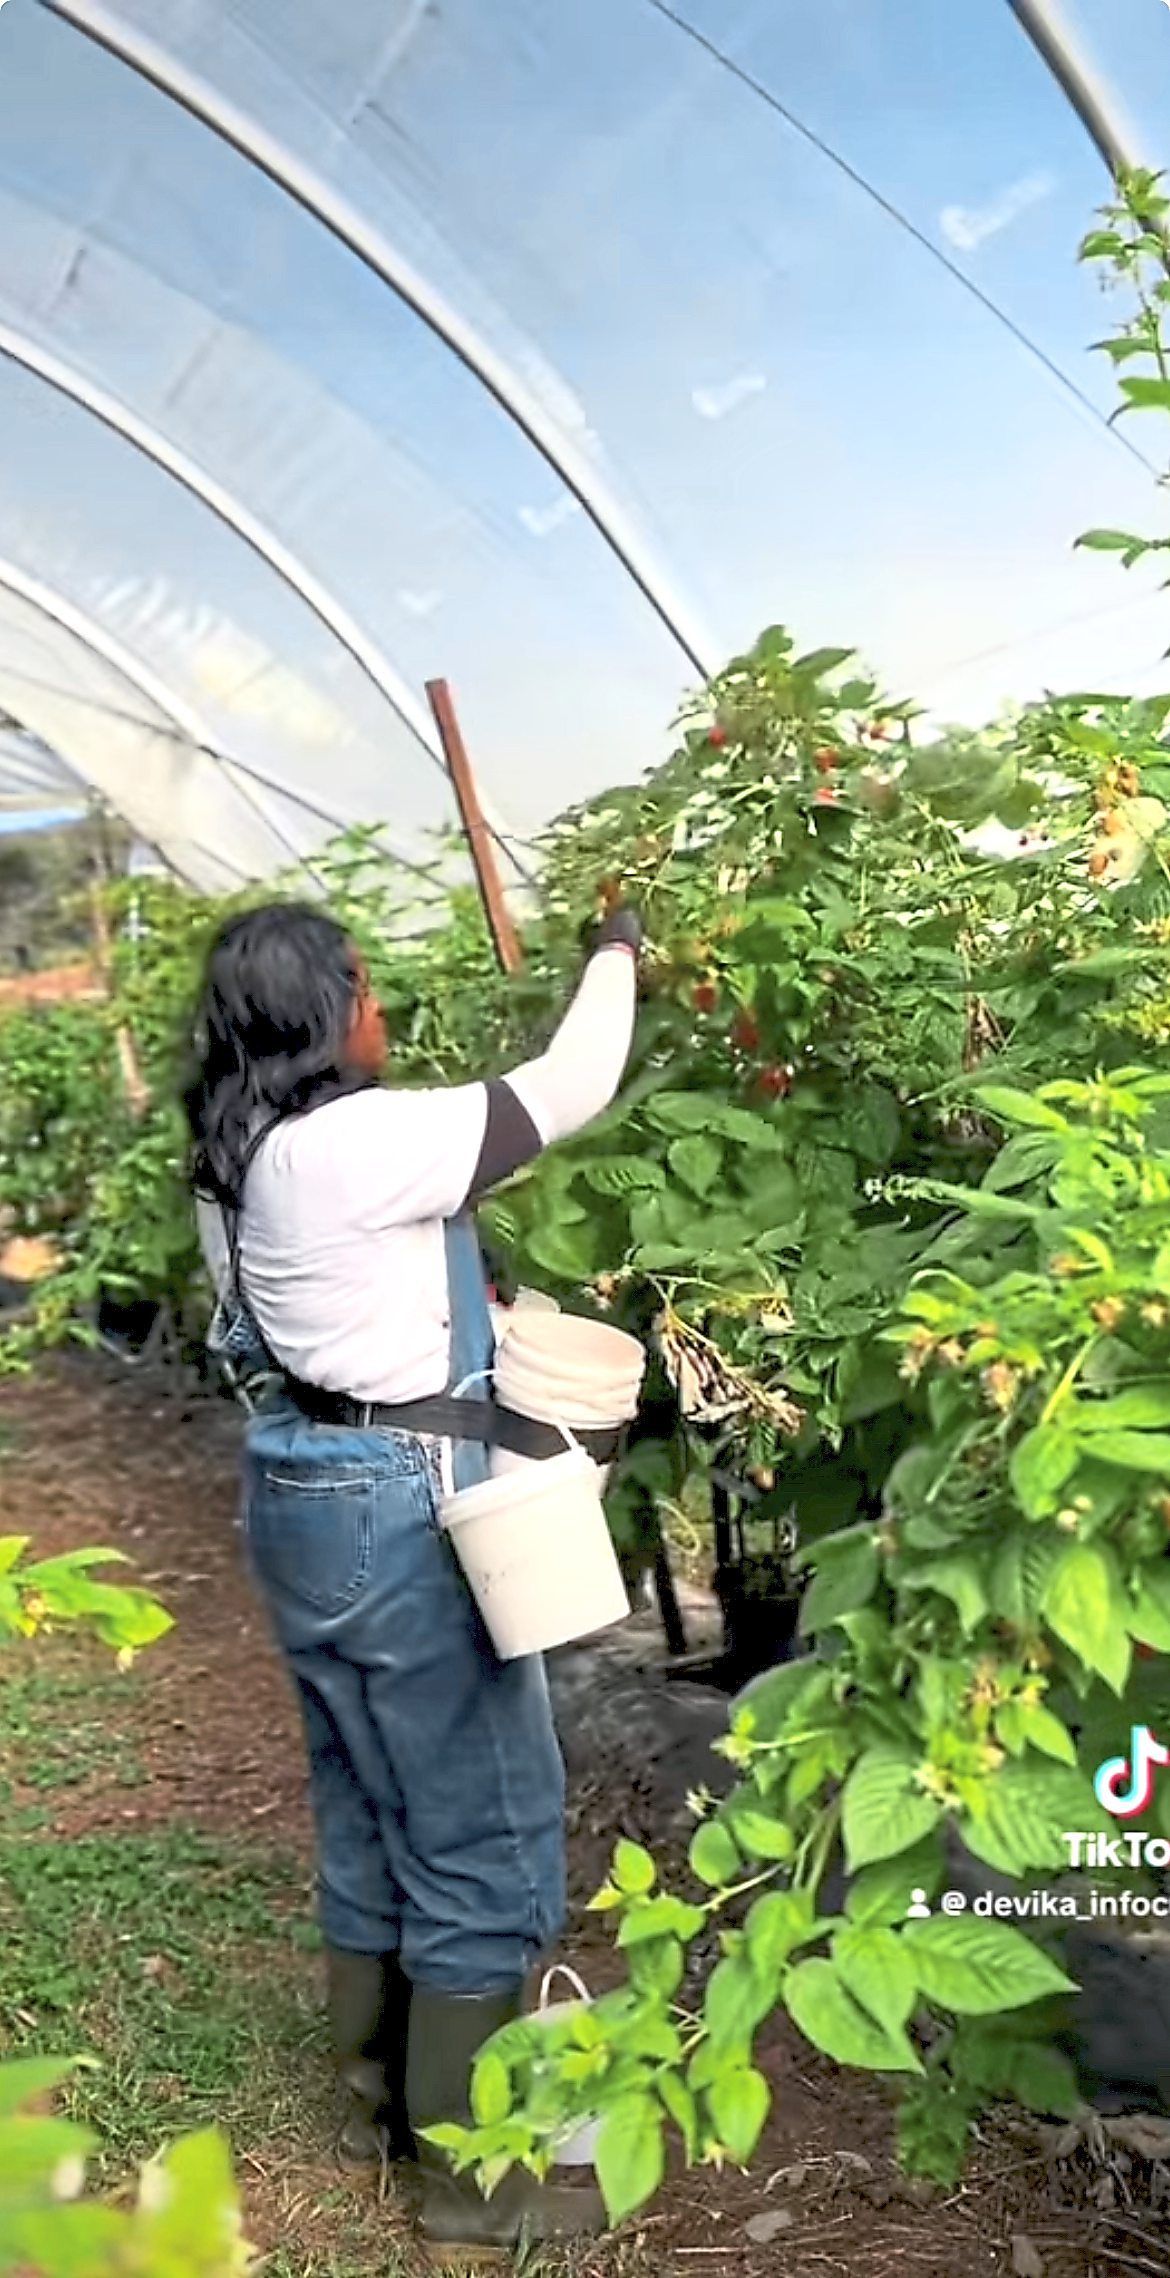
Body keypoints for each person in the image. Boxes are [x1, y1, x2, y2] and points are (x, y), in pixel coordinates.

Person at [184, 897, 643, 2254]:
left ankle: (371, 2092)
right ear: (325, 1008)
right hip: (397, 1508)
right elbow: (570, 1084)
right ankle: (474, 2181)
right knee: (481, 1839)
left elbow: (330, 1314)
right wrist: (612, 950)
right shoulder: (356, 1140)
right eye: (368, 988)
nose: (383, 1012)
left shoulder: (240, 1147)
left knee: (366, 1798)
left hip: (299, 1490)